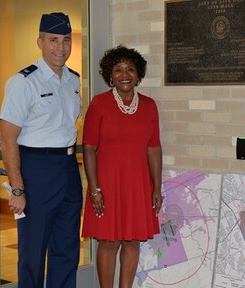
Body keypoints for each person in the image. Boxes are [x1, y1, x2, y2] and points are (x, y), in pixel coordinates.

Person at [0, 12, 82, 288]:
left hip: (69, 169)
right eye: (53, 40)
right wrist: (18, 189)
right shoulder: (24, 82)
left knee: (67, 250)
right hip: (36, 170)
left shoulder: (73, 80)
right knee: (33, 253)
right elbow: (9, 138)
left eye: (66, 40)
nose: (61, 47)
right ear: (40, 41)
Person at [81, 45, 163, 288]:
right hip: (107, 184)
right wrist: (94, 188)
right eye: (118, 70)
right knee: (108, 242)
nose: (124, 74)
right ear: (110, 75)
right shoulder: (99, 104)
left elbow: (154, 148)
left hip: (138, 184)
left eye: (130, 69)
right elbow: (88, 148)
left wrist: (156, 187)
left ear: (138, 74)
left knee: (132, 241)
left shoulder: (149, 106)